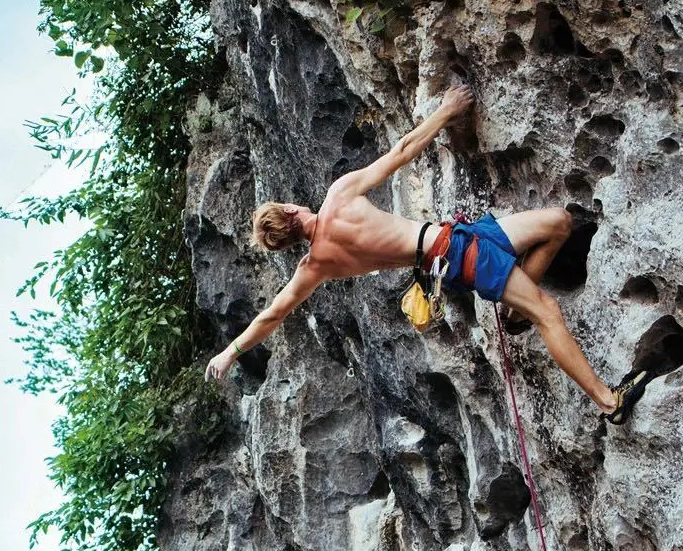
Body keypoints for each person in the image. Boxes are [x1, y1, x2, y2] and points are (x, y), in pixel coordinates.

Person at [205, 85, 646, 424]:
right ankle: (609, 402)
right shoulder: (336, 198)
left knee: (557, 223)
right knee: (549, 310)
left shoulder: (314, 268)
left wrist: (230, 352)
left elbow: (273, 315)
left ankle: (514, 316)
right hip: (455, 253)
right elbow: (400, 152)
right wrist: (446, 111)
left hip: (459, 240)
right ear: (290, 210)